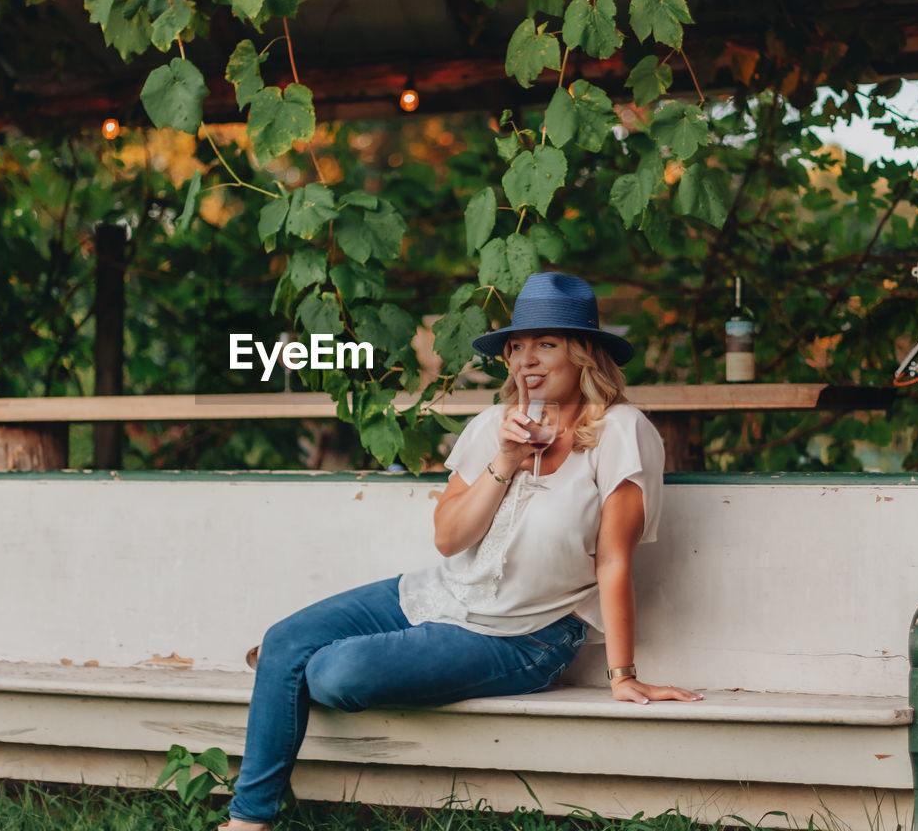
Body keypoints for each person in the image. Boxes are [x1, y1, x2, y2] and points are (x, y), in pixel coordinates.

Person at [220, 272, 702, 831]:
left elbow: (614, 559)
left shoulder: (621, 431)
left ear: (585, 353)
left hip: (525, 635)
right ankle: (248, 822)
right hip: (440, 592)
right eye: (517, 347)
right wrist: (506, 460)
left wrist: (623, 674)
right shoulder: (489, 427)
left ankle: (290, 672)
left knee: (331, 673)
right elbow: (449, 540)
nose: (528, 360)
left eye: (547, 344)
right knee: (285, 638)